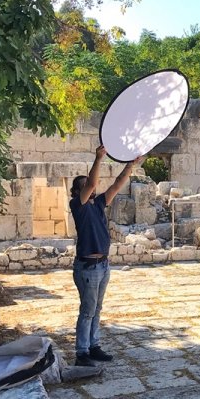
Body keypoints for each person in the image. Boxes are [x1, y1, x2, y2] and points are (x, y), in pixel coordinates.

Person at [69, 144, 142, 367]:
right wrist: (99, 158)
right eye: (86, 186)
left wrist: (130, 166)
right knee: (88, 310)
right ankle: (82, 352)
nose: (92, 187)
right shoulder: (77, 206)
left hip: (103, 266)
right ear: (78, 191)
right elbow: (92, 182)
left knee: (96, 309)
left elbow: (117, 185)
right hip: (88, 267)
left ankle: (94, 345)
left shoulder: (98, 204)